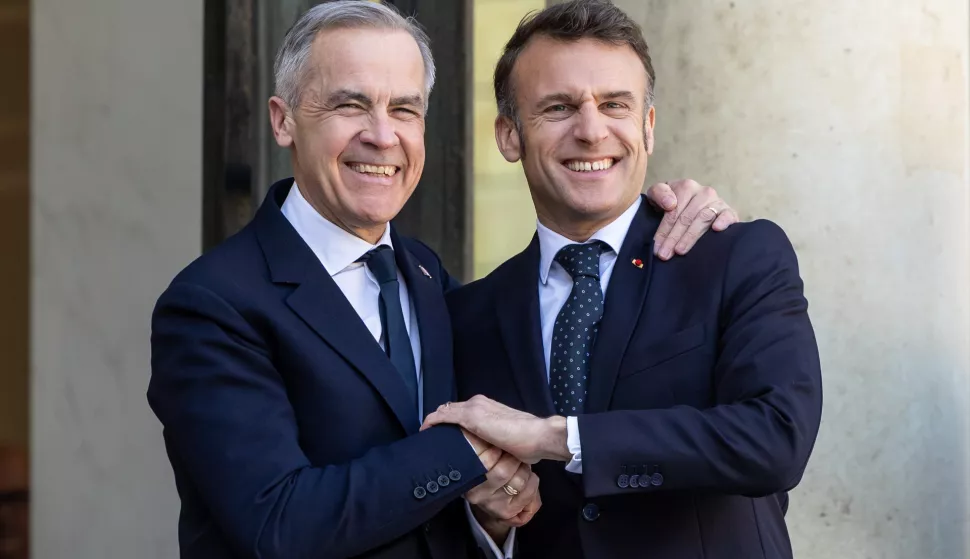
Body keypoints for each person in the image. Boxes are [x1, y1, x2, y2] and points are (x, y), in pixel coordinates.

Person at [148, 1, 737, 558]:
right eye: (351, 106)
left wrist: (491, 517)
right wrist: (464, 451)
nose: (382, 135)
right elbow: (277, 524)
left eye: (404, 109)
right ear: (283, 121)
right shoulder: (212, 303)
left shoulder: (431, 280)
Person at [426, 2, 823, 558]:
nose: (591, 131)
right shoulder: (466, 316)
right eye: (559, 107)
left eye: (615, 104)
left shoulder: (735, 257)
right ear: (509, 135)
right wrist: (491, 525)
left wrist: (558, 438)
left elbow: (776, 440)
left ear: (648, 126)